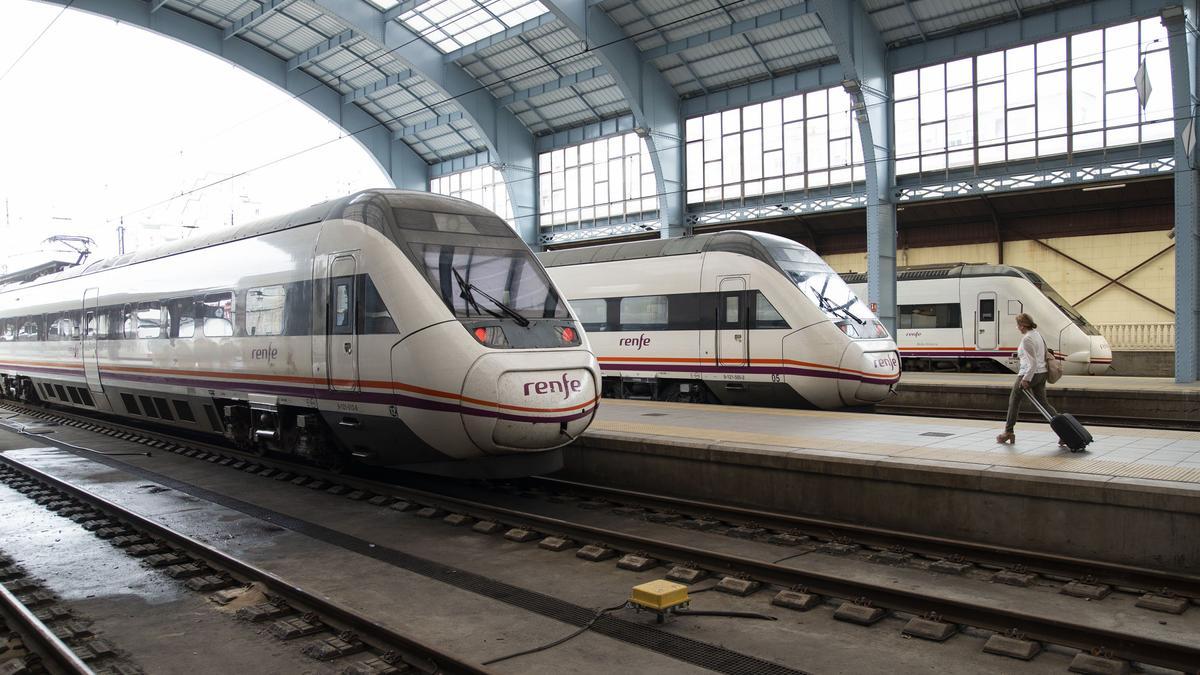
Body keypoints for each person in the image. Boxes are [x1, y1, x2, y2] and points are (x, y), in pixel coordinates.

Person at [996, 313, 1063, 445]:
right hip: (1042, 373)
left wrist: (1026, 379)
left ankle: (1008, 432)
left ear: (1022, 326)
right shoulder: (1037, 335)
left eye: (1018, 325)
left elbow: (1032, 364)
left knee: (1014, 401)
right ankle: (1064, 432)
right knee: (1044, 404)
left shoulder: (1027, 339)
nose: (1017, 328)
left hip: (1029, 374)